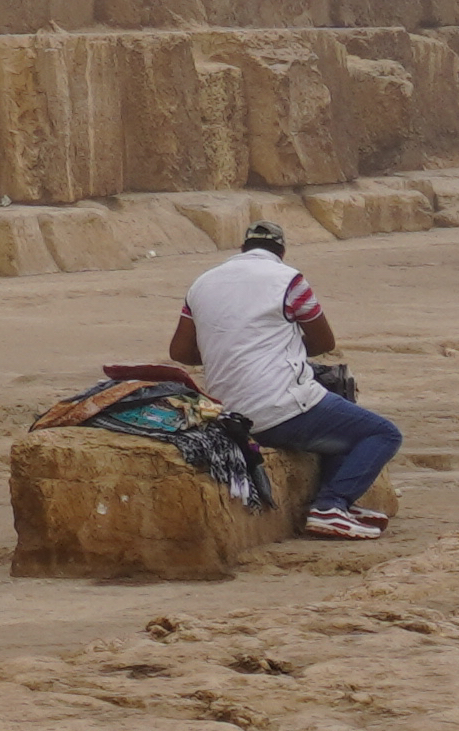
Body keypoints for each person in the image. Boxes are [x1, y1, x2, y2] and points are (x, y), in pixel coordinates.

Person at [166, 219, 396, 541]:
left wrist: (232, 351)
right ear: (281, 251)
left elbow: (180, 352)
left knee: (341, 421)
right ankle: (331, 506)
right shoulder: (288, 280)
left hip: (230, 412)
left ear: (243, 248)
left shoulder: (202, 283)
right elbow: (324, 342)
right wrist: (271, 351)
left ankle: (334, 503)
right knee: (382, 433)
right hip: (277, 408)